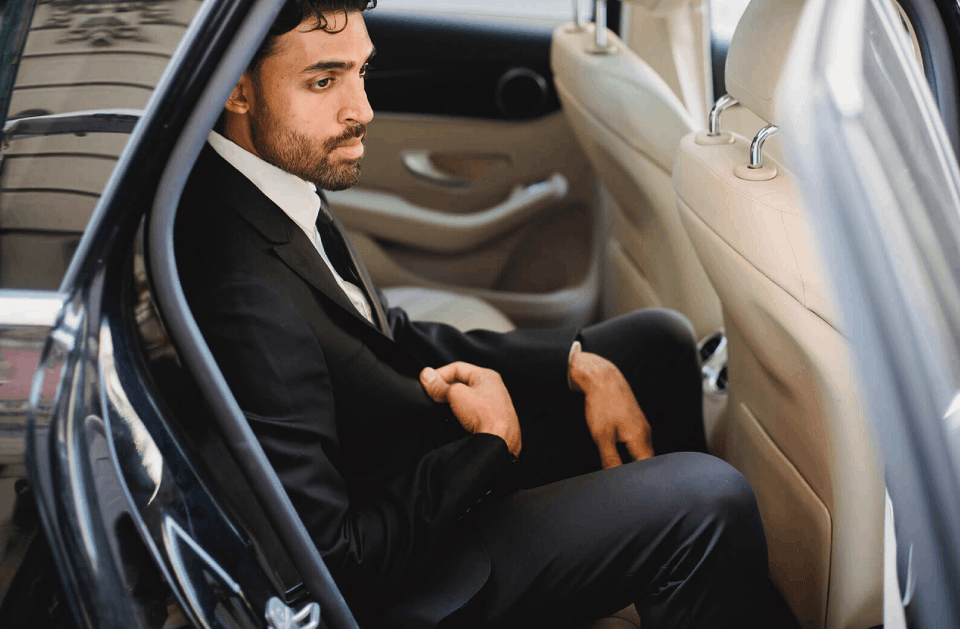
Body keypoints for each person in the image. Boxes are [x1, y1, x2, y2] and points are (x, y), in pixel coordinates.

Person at [174, 1, 770, 627]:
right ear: (237, 91)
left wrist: (569, 363)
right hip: (416, 577)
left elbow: (384, 334)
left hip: (407, 462)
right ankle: (681, 549)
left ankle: (692, 585)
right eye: (323, 81)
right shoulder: (242, 293)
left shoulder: (271, 184)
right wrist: (484, 450)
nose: (362, 110)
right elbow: (337, 567)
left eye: (361, 72)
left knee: (655, 346)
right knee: (710, 501)